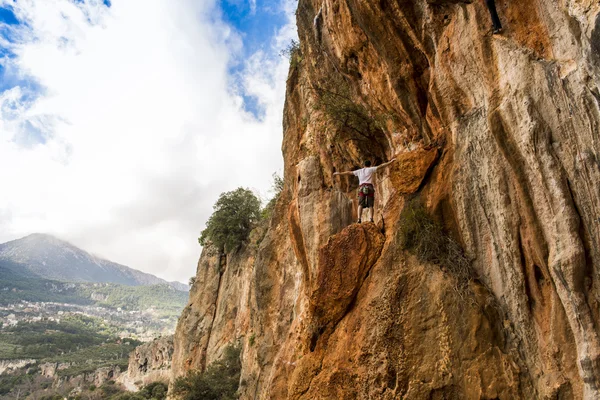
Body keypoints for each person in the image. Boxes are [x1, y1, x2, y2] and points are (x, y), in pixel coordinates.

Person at [334, 158, 396, 223]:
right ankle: (371, 219)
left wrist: (339, 173)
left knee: (360, 204)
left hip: (361, 188)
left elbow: (349, 172)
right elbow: (381, 166)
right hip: (369, 188)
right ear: (370, 165)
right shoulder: (371, 169)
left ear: (364, 165)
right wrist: (390, 162)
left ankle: (359, 219)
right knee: (370, 205)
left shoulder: (359, 171)